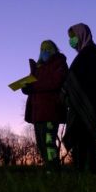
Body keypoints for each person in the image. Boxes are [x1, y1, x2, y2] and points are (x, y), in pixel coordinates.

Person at [62, 23, 96, 172]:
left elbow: (94, 81)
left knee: (86, 137)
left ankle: (90, 170)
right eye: (70, 37)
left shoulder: (91, 52)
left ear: (81, 34)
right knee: (81, 138)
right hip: (81, 103)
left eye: (73, 36)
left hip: (87, 103)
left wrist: (71, 90)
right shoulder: (85, 53)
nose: (71, 40)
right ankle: (82, 169)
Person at [22, 40, 68, 172]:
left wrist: (34, 85)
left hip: (51, 111)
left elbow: (55, 82)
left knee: (49, 142)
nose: (44, 51)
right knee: (41, 143)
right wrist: (25, 86)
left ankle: (53, 169)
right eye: (42, 49)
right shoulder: (38, 67)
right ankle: (49, 167)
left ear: (54, 50)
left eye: (48, 49)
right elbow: (31, 86)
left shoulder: (59, 63)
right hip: (37, 112)